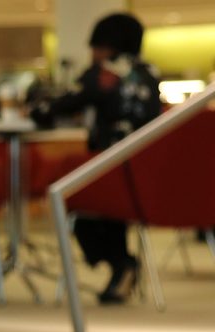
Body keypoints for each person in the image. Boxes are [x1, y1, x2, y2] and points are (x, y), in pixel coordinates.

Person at [31, 13, 161, 304]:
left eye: (95, 46)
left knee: (71, 196)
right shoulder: (150, 73)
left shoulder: (105, 74)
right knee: (100, 204)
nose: (92, 53)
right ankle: (122, 266)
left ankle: (121, 263)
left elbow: (56, 105)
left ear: (107, 46)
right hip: (146, 178)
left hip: (109, 171)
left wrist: (35, 110)